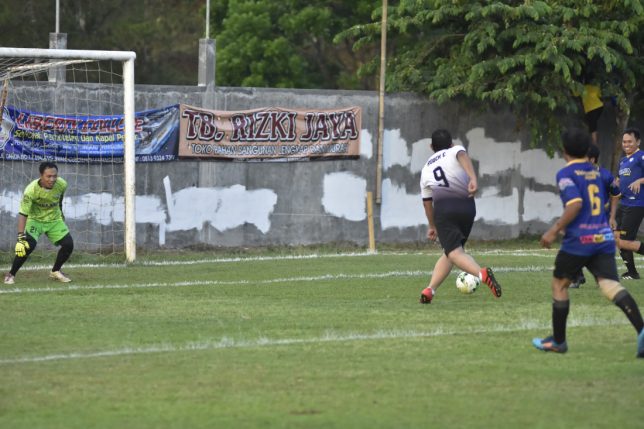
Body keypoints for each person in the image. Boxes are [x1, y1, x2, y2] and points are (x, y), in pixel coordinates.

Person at [533, 128, 644, 357]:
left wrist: (553, 231)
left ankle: (558, 341)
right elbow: (614, 192)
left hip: (579, 240)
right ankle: (642, 330)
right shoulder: (598, 173)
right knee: (610, 285)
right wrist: (611, 217)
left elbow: (574, 205)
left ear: (564, 151)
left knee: (559, 285)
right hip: (603, 238)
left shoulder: (566, 173)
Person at [418, 129, 501, 304]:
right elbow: (462, 155)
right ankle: (430, 289)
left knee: (454, 252)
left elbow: (427, 203)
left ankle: (482, 274)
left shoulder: (426, 169)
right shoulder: (455, 150)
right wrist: (473, 178)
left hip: (444, 211)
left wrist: (432, 225)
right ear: (451, 143)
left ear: (431, 147)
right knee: (453, 251)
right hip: (467, 207)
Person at [3, 161, 74, 284]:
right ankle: (11, 274)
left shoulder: (62, 184)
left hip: (54, 219)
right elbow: (23, 214)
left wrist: (61, 212)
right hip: (35, 220)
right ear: (41, 176)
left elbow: (59, 199)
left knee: (68, 244)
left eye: (54, 176)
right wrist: (20, 238)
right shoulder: (30, 190)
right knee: (27, 246)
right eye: (48, 176)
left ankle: (55, 271)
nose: (52, 179)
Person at [569, 143, 620, 288]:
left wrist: (612, 217)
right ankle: (578, 277)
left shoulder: (606, 176)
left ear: (592, 159)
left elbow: (615, 195)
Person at [614, 127, 644, 280]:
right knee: (616, 237)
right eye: (624, 142)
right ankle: (632, 272)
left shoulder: (641, 156)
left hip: (636, 204)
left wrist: (640, 180)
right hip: (623, 203)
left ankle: (632, 272)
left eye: (630, 141)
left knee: (625, 241)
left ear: (638, 142)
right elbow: (621, 181)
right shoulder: (623, 161)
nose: (626, 144)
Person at [579, 73, 604, 145]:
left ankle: (594, 143)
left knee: (592, 126)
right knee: (592, 124)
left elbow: (574, 93)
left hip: (590, 109)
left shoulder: (581, 89)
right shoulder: (595, 87)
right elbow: (600, 95)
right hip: (599, 107)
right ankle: (594, 137)